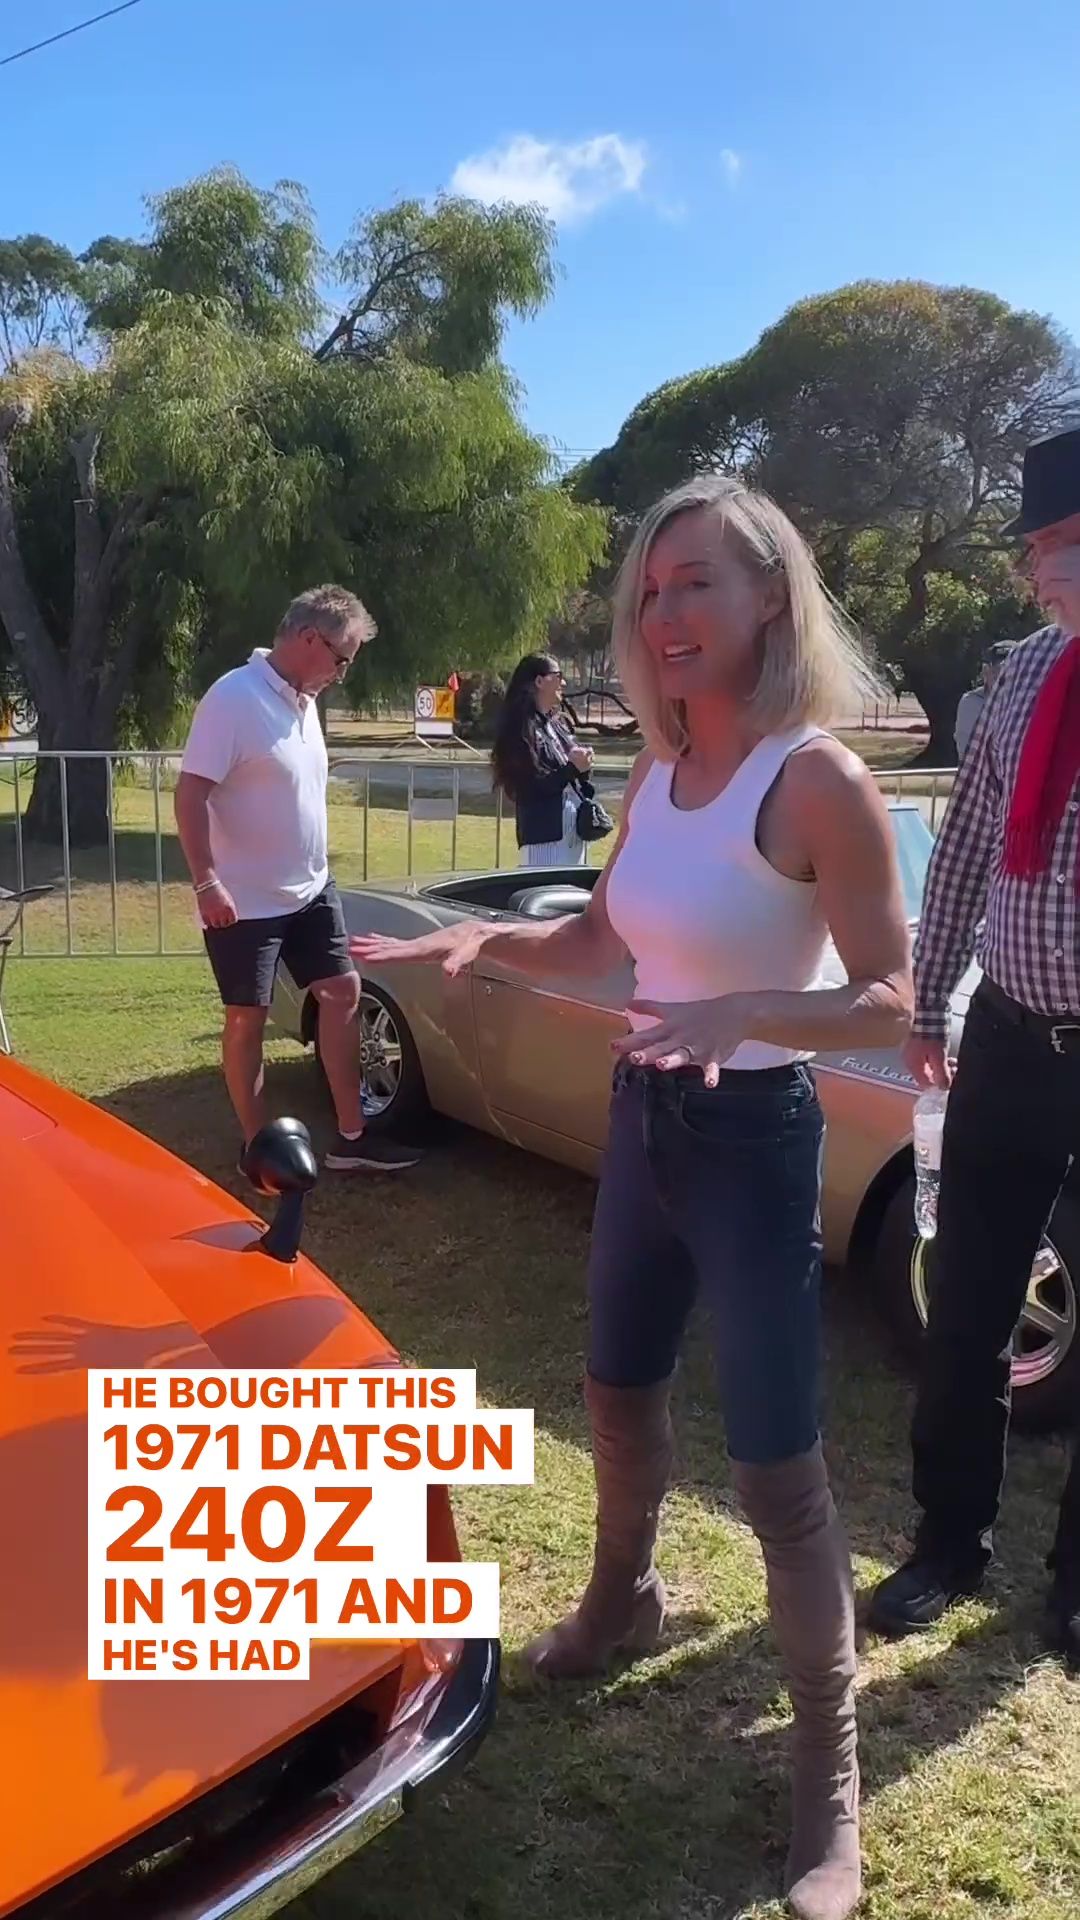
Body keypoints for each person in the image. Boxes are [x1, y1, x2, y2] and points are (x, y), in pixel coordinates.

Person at [350, 477, 913, 1920]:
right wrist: (482, 946)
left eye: (697, 583)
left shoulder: (815, 780)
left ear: (770, 598)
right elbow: (604, 936)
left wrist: (746, 1013)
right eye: (651, 590)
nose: (665, 614)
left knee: (779, 1470)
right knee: (615, 1389)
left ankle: (828, 1780)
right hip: (644, 1118)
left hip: (756, 1138)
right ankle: (625, 1597)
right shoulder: (662, 772)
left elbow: (892, 1001)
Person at [869, 424, 1080, 1668]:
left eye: (1062, 543)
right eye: (1037, 547)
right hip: (1007, 1036)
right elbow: (961, 851)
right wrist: (926, 1002)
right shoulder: (1024, 676)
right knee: (966, 1304)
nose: (1040, 569)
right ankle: (950, 1543)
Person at [174, 584, 421, 1174]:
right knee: (247, 1018)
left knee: (343, 990)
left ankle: (352, 1137)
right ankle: (261, 1151)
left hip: (311, 889)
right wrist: (206, 881)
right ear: (310, 638)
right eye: (342, 658)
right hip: (242, 900)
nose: (343, 672)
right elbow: (189, 794)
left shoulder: (304, 702)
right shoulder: (233, 698)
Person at [490, 653, 594, 867]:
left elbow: (569, 777)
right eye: (558, 676)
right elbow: (530, 786)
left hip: (572, 833)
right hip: (544, 838)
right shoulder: (520, 729)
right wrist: (571, 769)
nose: (563, 683)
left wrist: (582, 766)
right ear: (539, 681)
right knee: (546, 886)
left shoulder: (556, 725)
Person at [954, 643, 1015, 760]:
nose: (1005, 677)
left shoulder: (1029, 702)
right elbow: (971, 755)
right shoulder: (972, 703)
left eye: (1012, 670)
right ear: (986, 671)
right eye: (999, 670)